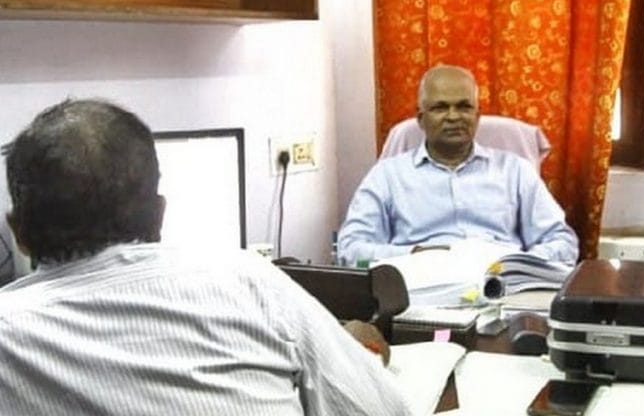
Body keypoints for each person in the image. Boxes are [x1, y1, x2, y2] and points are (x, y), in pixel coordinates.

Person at [0, 99, 410, 416]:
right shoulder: (247, 280)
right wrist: (348, 350)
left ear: (19, 233)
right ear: (159, 215)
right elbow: (382, 410)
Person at [336, 65, 579, 267]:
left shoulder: (515, 171)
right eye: (440, 107)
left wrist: (517, 263)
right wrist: (413, 255)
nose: (453, 117)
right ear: (421, 119)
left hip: (500, 284)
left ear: (477, 116)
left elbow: (563, 242)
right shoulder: (387, 176)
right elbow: (350, 250)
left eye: (464, 107)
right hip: (421, 286)